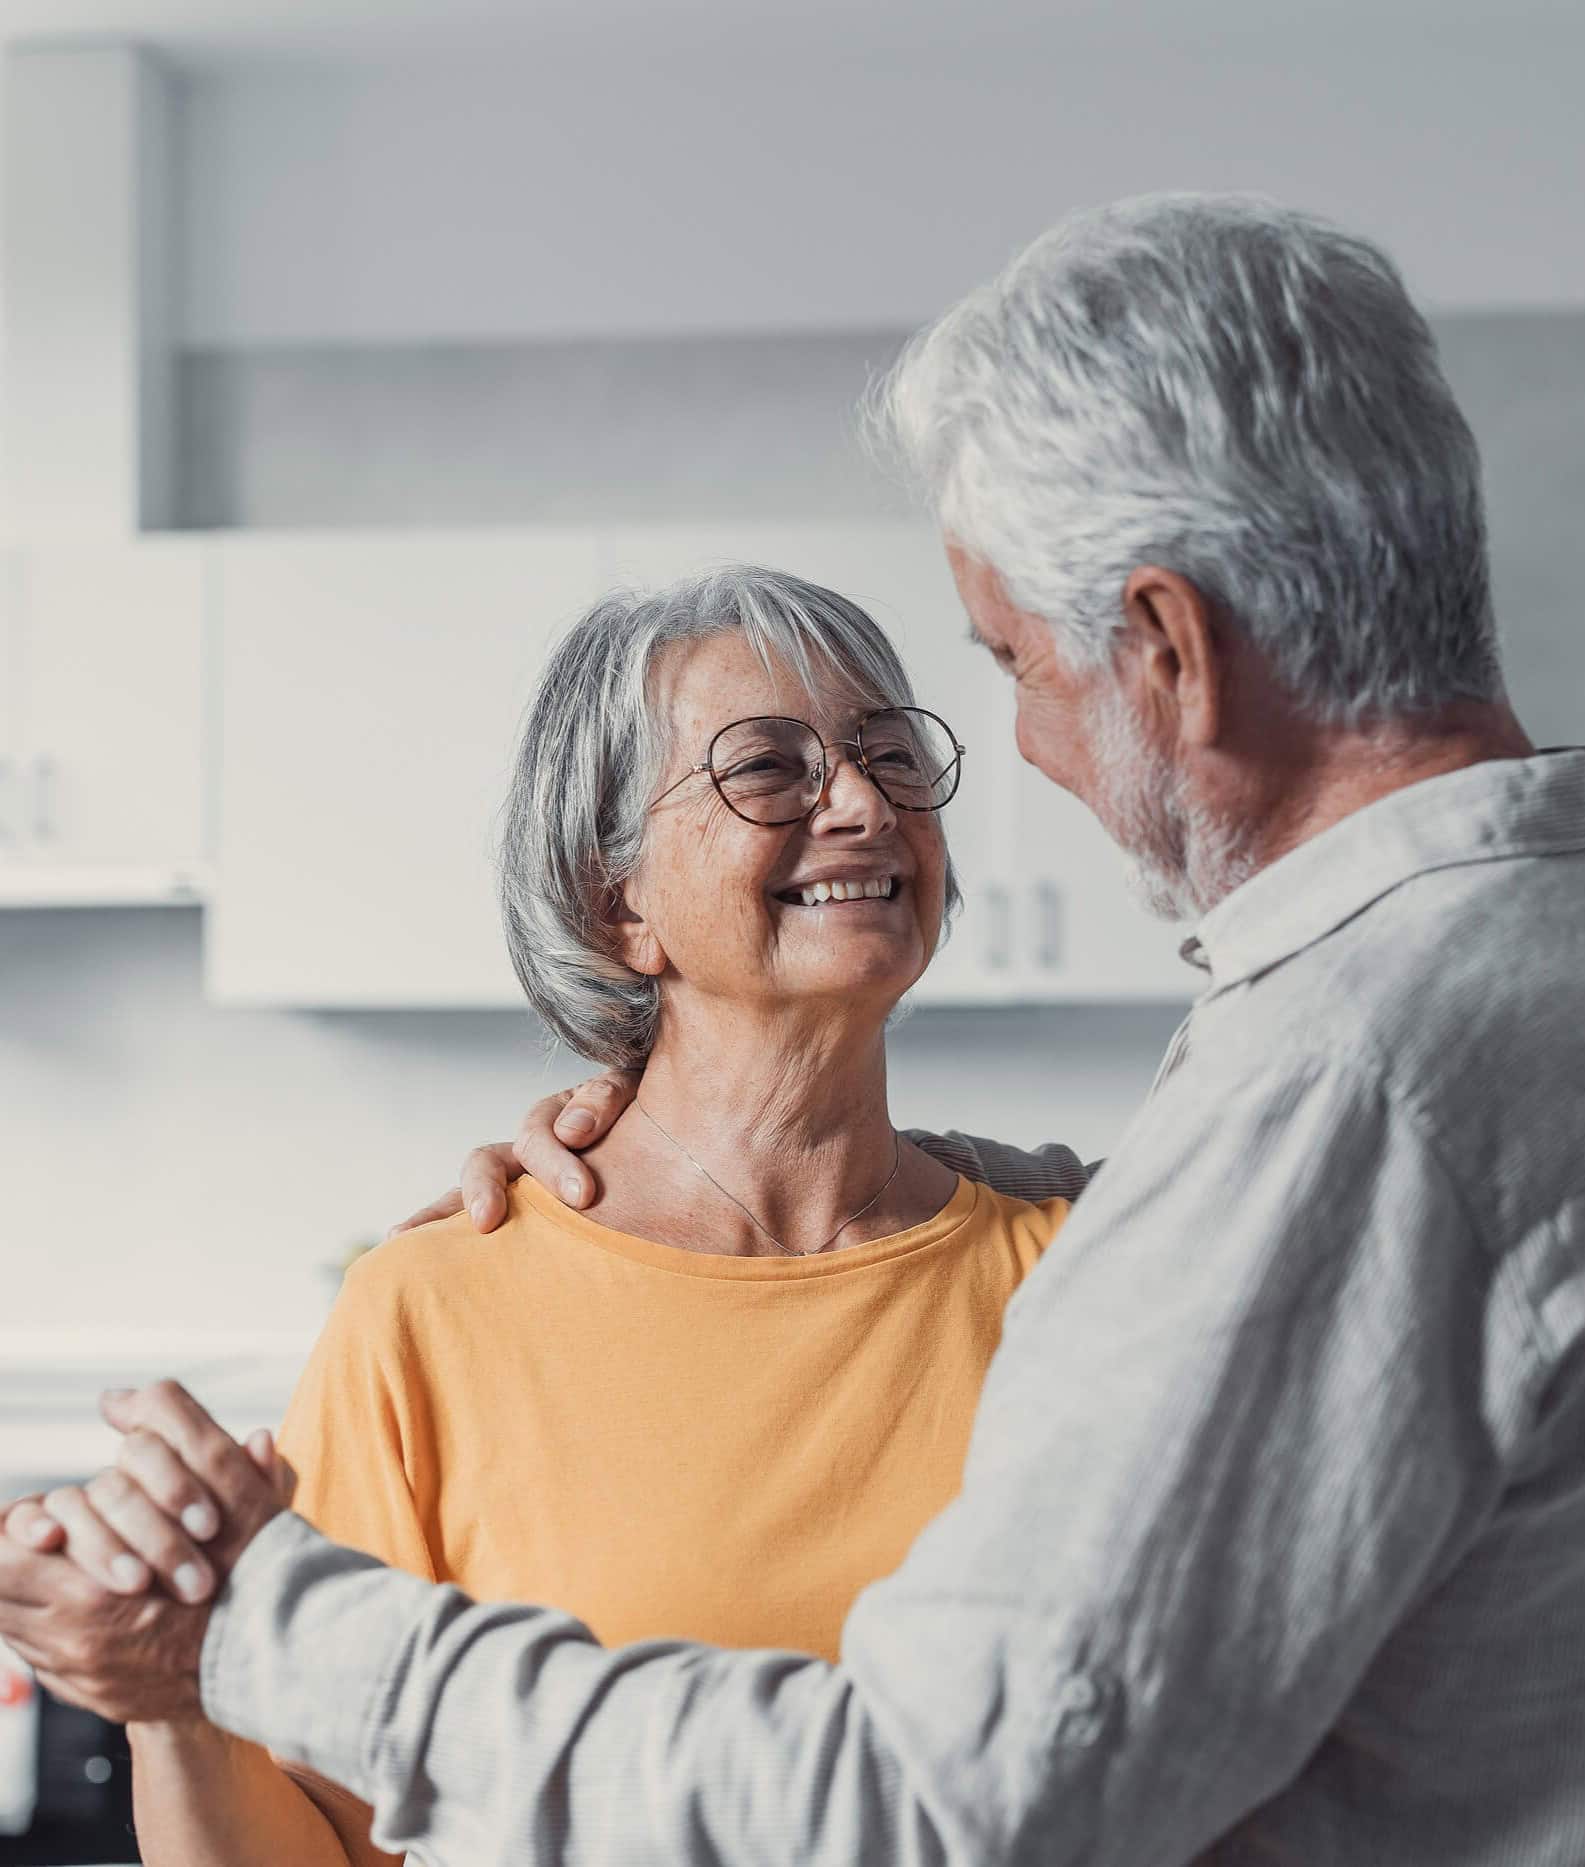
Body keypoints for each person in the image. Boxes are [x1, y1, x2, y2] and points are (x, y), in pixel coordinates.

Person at [0, 193, 1585, 1867]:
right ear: (606, 896)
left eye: (1001, 674)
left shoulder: (1351, 1084)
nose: (992, 757)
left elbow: (928, 1810)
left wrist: (251, 1621)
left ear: (1169, 650)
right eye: (773, 769)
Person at [29, 565, 1100, 1867]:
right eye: (769, 768)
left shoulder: (1086, 1279)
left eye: (887, 754)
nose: (866, 805)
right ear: (617, 901)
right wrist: (174, 1705)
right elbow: (315, 1848)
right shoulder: (435, 1309)